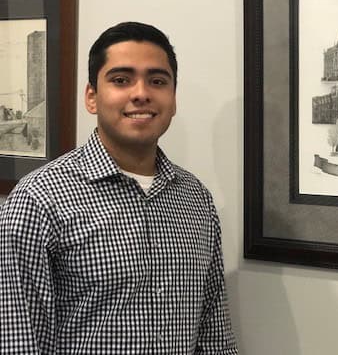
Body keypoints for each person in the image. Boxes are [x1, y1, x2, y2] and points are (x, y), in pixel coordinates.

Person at [0, 22, 238, 354]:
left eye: (157, 81)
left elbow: (214, 331)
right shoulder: (38, 200)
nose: (141, 93)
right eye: (121, 80)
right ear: (92, 97)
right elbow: (18, 341)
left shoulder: (195, 198)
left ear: (172, 99)